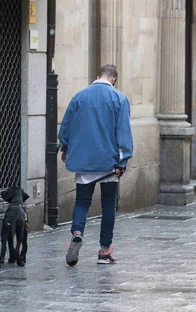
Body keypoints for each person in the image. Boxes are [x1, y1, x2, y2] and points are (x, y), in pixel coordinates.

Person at [58, 64, 133, 266]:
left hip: (83, 160)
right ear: (114, 78)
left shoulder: (79, 96)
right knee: (108, 205)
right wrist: (123, 160)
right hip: (108, 162)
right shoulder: (120, 99)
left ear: (97, 75)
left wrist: (64, 148)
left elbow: (66, 126)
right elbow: (123, 132)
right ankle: (104, 251)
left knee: (82, 201)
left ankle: (76, 232)